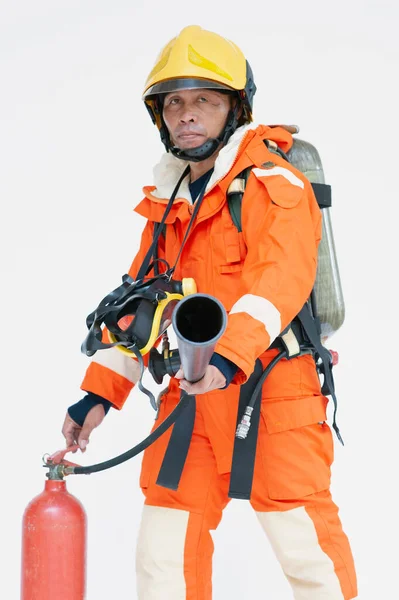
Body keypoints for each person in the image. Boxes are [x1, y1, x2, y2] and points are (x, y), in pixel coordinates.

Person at [62, 25, 357, 600]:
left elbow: (279, 282)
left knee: (307, 557)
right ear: (161, 117)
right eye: (175, 103)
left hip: (273, 394)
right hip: (191, 399)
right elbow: (139, 314)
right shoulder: (168, 206)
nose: (187, 114)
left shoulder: (275, 184)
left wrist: (225, 356)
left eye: (205, 100)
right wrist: (97, 397)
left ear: (234, 109)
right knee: (164, 557)